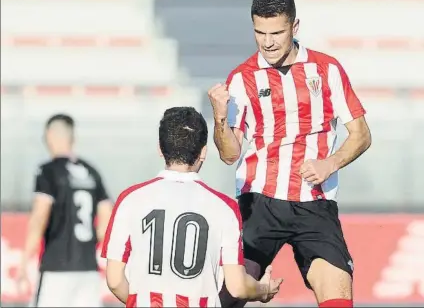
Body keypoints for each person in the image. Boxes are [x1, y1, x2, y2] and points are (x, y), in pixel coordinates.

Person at [209, 0, 372, 308]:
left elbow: (361, 134)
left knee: (339, 296)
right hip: (259, 202)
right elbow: (229, 153)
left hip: (314, 203)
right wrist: (217, 117)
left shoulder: (326, 69)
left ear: (294, 27)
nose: (267, 42)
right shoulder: (242, 78)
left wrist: (331, 162)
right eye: (260, 32)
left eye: (276, 32)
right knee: (228, 295)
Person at [101, 107, 283, 307]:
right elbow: (237, 286)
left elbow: (115, 280)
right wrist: (263, 290)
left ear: (160, 149)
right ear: (203, 151)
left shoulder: (131, 199)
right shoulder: (224, 207)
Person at [16, 114, 114, 307]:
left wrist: (24, 261)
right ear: (72, 138)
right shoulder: (91, 171)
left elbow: (39, 217)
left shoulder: (48, 171)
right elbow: (107, 215)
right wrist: (91, 242)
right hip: (87, 269)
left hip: (56, 268)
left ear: (49, 135)